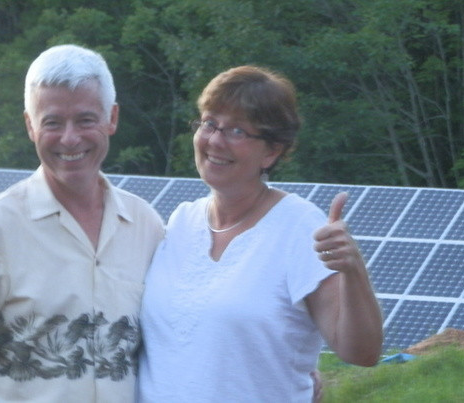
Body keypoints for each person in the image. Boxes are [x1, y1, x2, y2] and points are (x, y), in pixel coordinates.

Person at [137, 65, 383, 402]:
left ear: (272, 151)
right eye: (209, 123)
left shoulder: (299, 228)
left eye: (237, 131)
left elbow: (362, 352)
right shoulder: (180, 222)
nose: (215, 141)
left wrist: (353, 270)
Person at [0, 44, 165, 402]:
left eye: (86, 120)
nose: (70, 138)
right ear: (30, 125)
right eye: (52, 122)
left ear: (112, 118)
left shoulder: (146, 225)